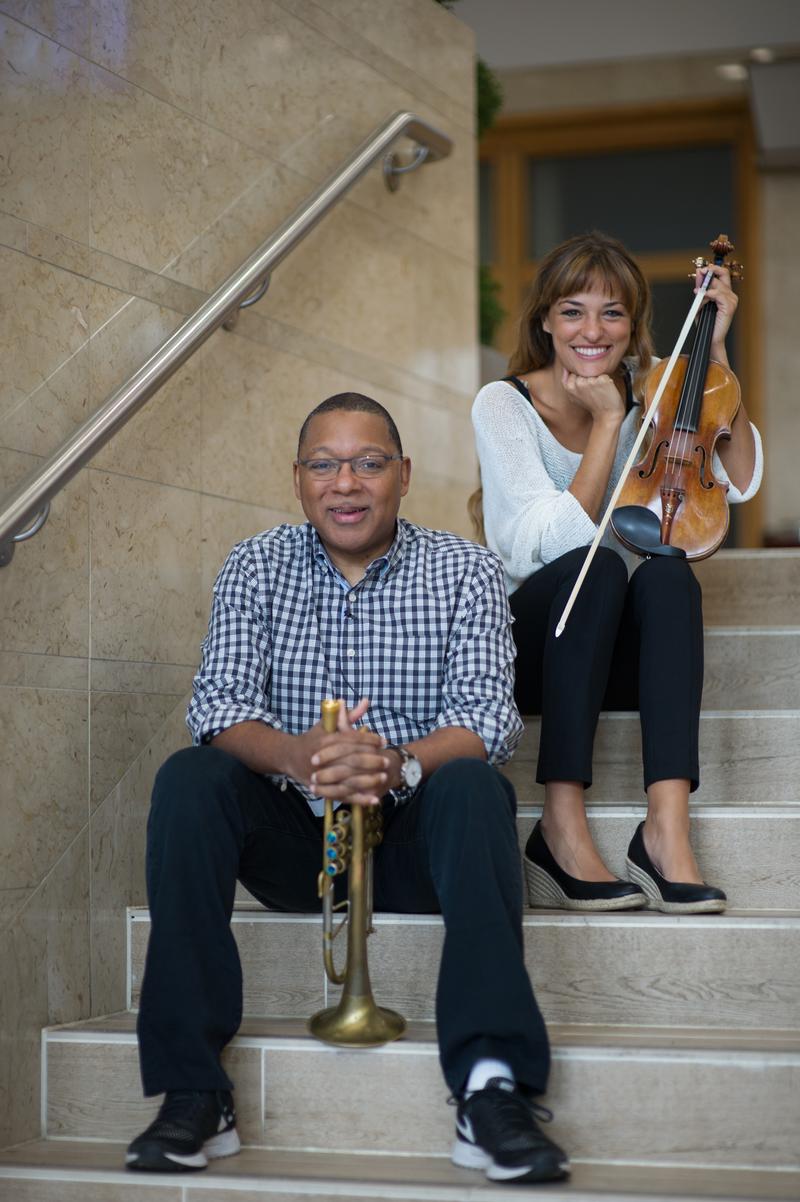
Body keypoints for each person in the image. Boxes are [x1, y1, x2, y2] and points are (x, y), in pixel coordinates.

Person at [125, 392, 569, 1185]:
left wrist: (394, 765)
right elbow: (218, 705)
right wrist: (300, 758)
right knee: (191, 778)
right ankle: (194, 1090)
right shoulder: (255, 564)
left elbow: (489, 719)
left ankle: (490, 1085)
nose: (347, 483)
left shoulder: (466, 569)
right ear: (297, 480)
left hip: (414, 844)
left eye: (368, 463)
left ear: (403, 475)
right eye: (324, 465)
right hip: (302, 850)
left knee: (476, 787)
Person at [471, 231, 763, 915]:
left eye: (613, 313)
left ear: (633, 323)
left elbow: (741, 482)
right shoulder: (503, 404)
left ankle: (665, 831)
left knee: (667, 574)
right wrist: (606, 425)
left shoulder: (660, 387)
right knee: (595, 565)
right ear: (544, 319)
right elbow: (533, 549)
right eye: (572, 311)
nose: (592, 331)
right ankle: (560, 827)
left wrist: (713, 355)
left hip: (607, 654)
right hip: (536, 647)